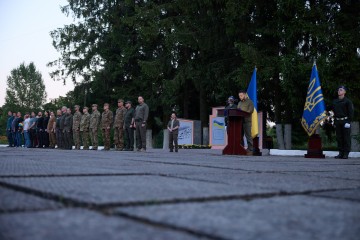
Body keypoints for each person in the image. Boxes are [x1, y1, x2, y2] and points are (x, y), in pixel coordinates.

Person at [333, 85, 354, 159]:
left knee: (346, 138)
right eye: (338, 90)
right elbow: (333, 111)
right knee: (339, 138)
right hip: (338, 121)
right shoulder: (335, 101)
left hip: (345, 121)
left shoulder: (347, 101)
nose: (339, 91)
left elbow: (351, 112)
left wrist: (348, 122)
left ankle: (346, 153)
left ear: (344, 92)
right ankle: (340, 153)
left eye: (341, 90)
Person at [237, 90, 254, 155]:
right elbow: (237, 111)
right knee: (240, 136)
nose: (240, 97)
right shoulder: (239, 103)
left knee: (248, 136)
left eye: (241, 95)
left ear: (244, 95)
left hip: (247, 121)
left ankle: (250, 149)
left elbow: (251, 110)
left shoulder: (249, 102)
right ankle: (241, 148)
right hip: (240, 121)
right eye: (239, 96)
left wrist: (242, 112)